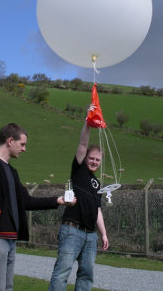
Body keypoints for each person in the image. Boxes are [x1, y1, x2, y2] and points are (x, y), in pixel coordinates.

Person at [0, 122, 75, 291]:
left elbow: (27, 201)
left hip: (11, 239)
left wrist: (58, 200)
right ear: (10, 140)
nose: (24, 149)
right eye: (22, 144)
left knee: (7, 287)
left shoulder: (12, 172)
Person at [48, 116, 109, 291]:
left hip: (90, 236)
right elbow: (83, 144)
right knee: (62, 273)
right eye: (92, 158)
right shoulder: (79, 169)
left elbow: (98, 210)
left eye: (98, 160)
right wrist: (88, 122)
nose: (94, 162)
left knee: (86, 275)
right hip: (72, 230)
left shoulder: (97, 183)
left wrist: (103, 234)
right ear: (86, 158)